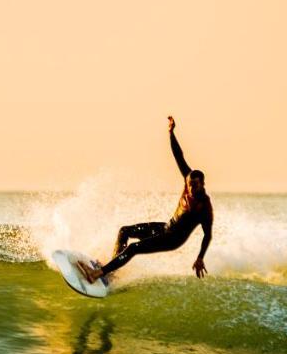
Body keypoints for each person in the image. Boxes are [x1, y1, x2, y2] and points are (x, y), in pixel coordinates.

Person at [78, 116, 214, 283]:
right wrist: (171, 133)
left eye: (195, 185)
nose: (192, 188)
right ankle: (110, 270)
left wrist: (200, 257)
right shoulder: (188, 177)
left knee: (134, 248)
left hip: (173, 239)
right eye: (190, 184)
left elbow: (207, 235)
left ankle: (99, 273)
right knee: (124, 231)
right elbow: (179, 155)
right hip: (166, 227)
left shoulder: (204, 206)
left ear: (202, 184)